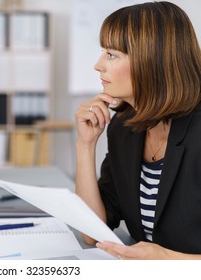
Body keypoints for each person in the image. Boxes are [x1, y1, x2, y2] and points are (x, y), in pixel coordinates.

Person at [75, 1, 201, 260]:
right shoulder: (124, 127)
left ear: (152, 59)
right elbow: (92, 233)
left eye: (111, 55)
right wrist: (85, 145)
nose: (98, 65)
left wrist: (167, 259)